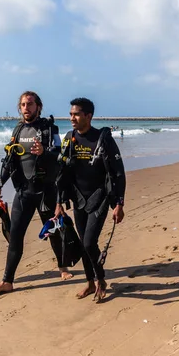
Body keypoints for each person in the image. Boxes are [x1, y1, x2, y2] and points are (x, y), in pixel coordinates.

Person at [0, 91, 71, 296]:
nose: (26, 107)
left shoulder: (49, 129)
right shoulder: (18, 130)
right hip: (24, 192)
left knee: (52, 231)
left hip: (45, 191)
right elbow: (8, 161)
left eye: (30, 104)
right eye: (23, 104)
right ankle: (7, 281)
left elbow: (60, 156)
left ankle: (62, 267)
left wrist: (44, 151)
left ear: (38, 107)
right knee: (15, 235)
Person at [55, 97, 126, 303]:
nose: (72, 118)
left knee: (89, 242)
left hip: (99, 198)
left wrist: (119, 203)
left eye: (76, 114)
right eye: (70, 114)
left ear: (88, 116)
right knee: (83, 244)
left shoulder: (103, 139)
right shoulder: (69, 138)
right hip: (78, 199)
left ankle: (101, 280)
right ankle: (89, 282)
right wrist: (60, 202)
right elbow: (62, 173)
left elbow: (118, 173)